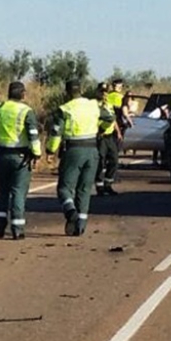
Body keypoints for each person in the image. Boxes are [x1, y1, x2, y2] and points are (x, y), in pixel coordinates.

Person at [46, 80, 113, 236]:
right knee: (84, 189)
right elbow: (110, 118)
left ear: (67, 92)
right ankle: (80, 225)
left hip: (73, 150)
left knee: (64, 188)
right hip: (92, 150)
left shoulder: (65, 109)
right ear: (81, 90)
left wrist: (50, 150)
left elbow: (56, 133)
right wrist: (100, 130)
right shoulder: (93, 105)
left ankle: (71, 213)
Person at [0, 81, 42, 240]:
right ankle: (17, 228)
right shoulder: (26, 111)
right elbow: (33, 134)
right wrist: (37, 153)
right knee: (18, 192)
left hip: (1, 155)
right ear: (23, 94)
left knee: (2, 191)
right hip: (20, 157)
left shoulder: (0, 107)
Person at [95, 83, 122, 195]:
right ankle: (99, 185)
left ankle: (108, 184)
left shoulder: (109, 104)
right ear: (97, 92)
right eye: (102, 91)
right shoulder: (94, 105)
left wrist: (118, 131)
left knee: (114, 160)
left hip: (110, 136)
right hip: (100, 136)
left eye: (106, 91)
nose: (104, 94)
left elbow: (113, 119)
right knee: (100, 161)